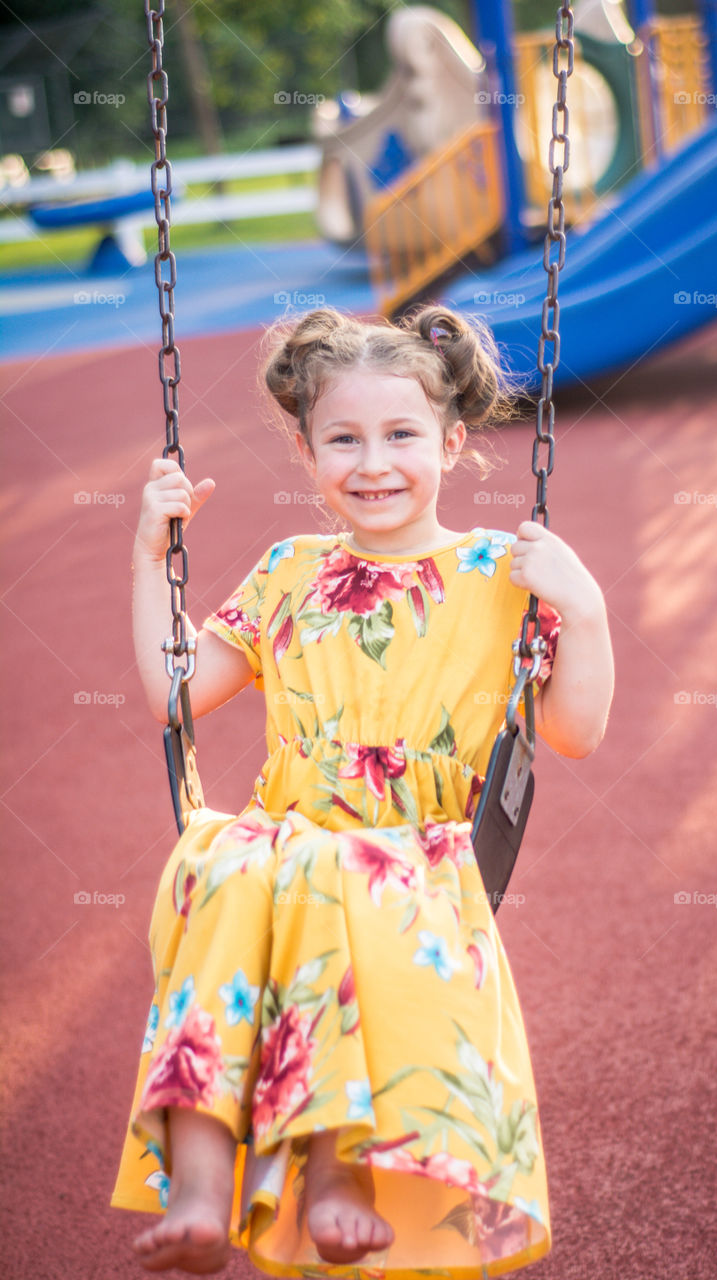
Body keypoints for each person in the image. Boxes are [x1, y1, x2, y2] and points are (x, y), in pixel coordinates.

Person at [112, 304, 615, 1276]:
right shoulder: (287, 572)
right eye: (343, 438)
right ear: (307, 452)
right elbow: (175, 695)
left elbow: (574, 732)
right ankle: (205, 1190)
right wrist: (147, 554)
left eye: (400, 435)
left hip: (418, 867)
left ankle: (337, 1171)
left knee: (325, 889)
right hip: (280, 855)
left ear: (453, 442)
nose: (372, 462)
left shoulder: (495, 576)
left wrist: (581, 607)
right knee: (218, 864)